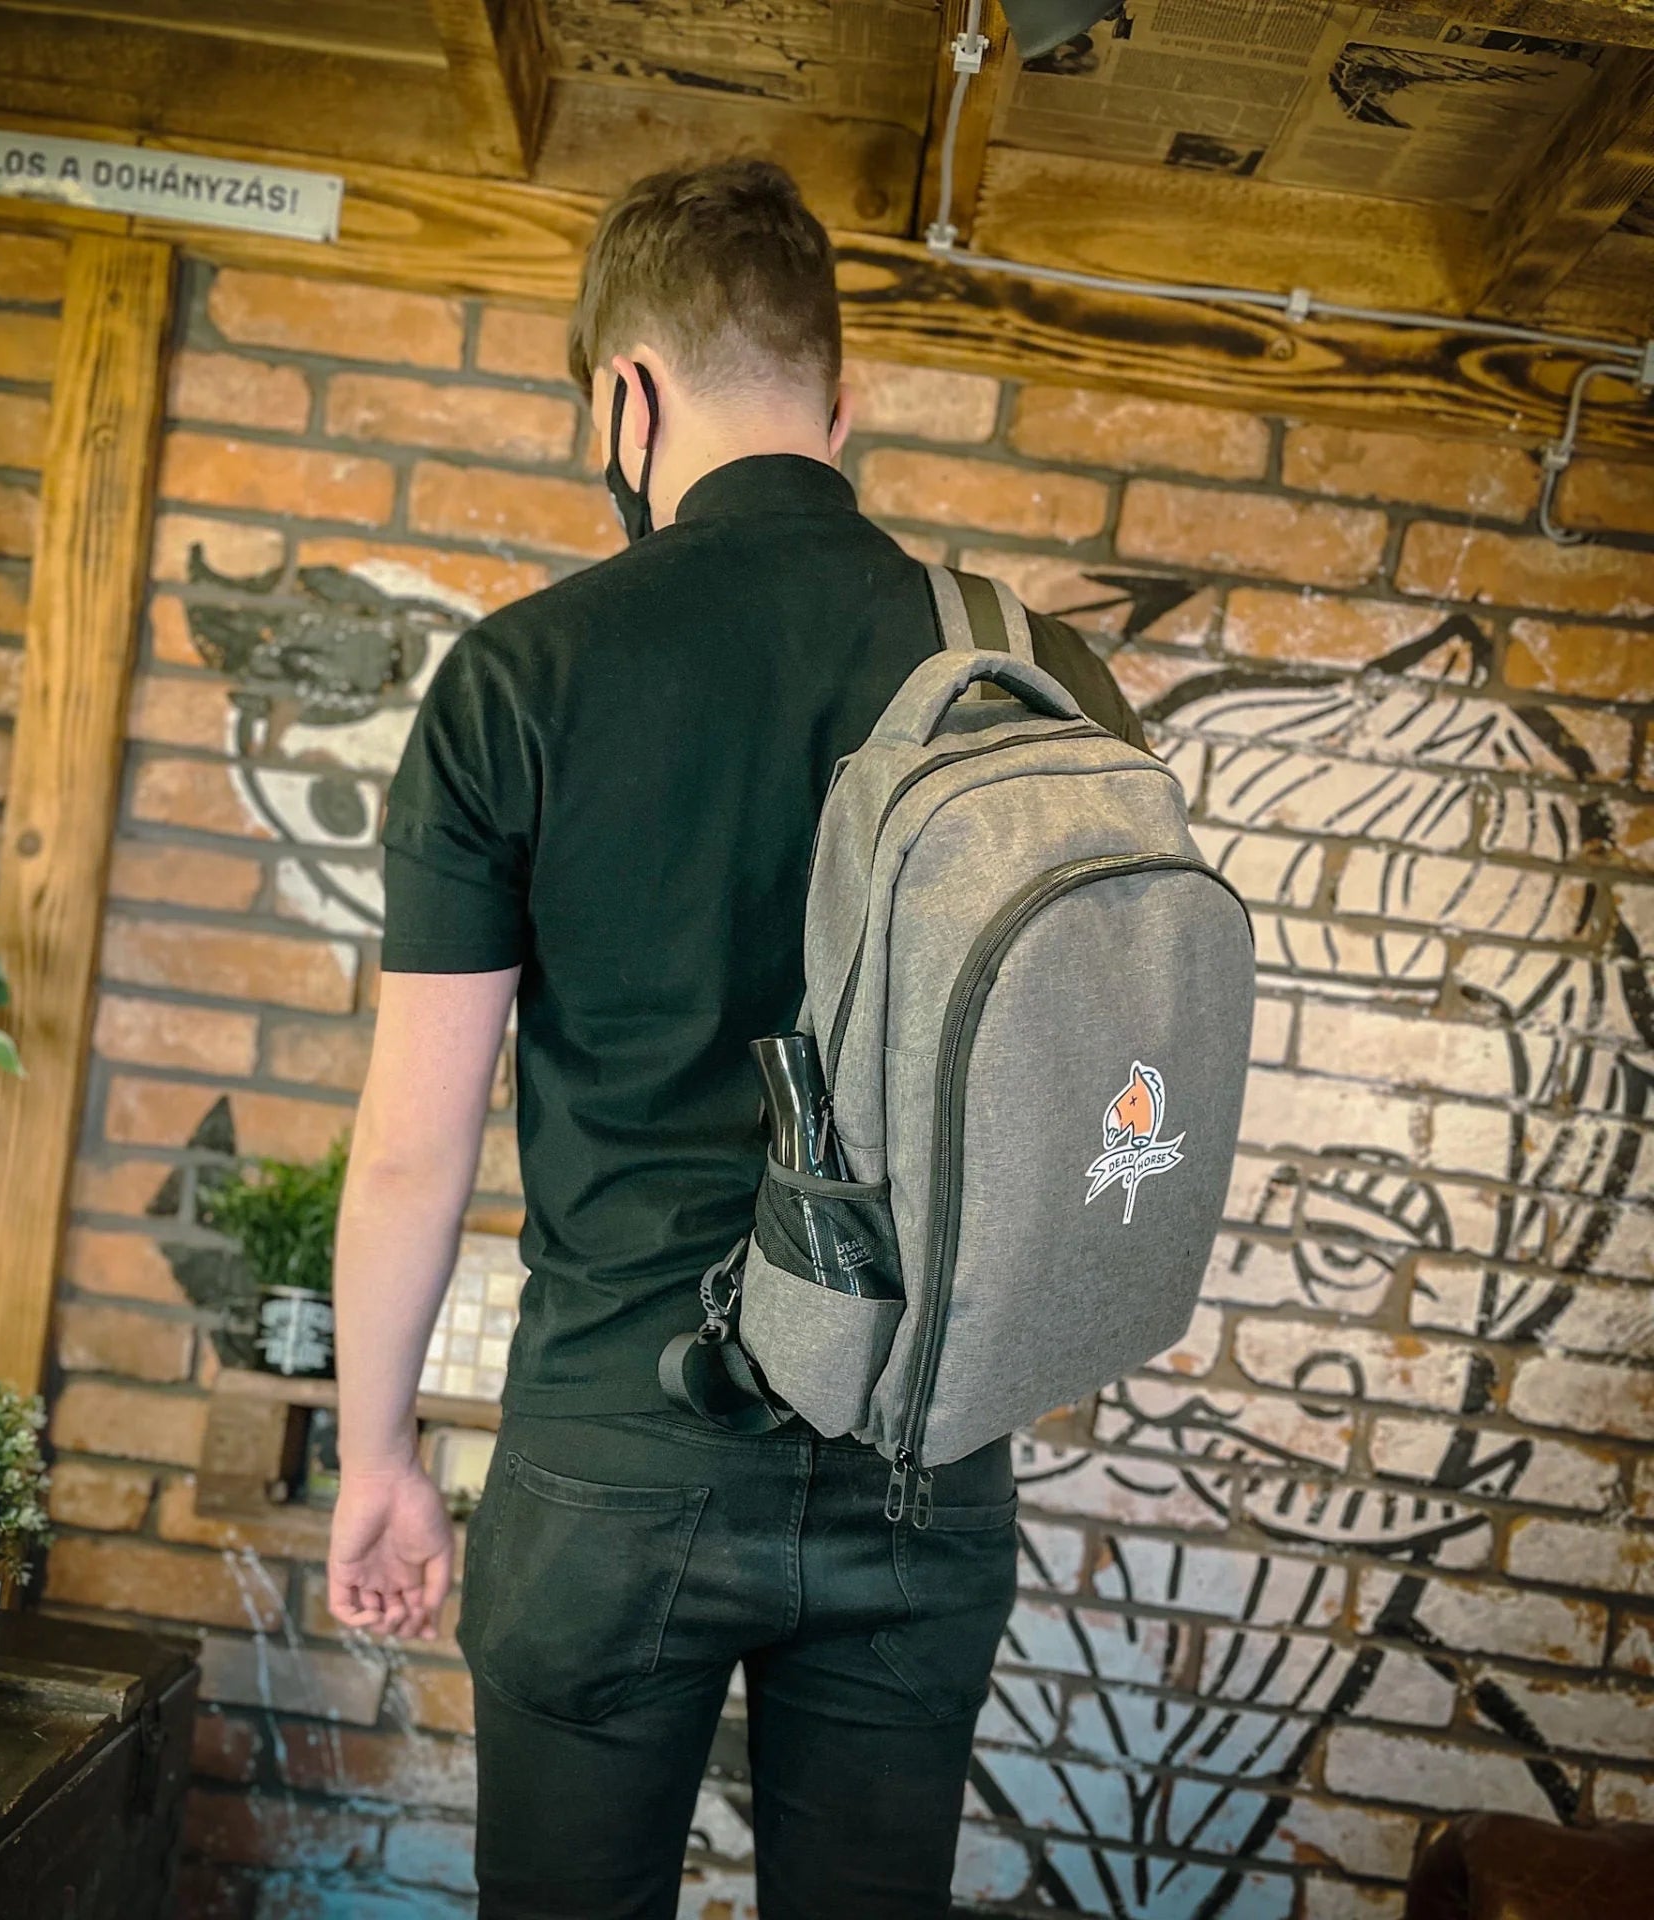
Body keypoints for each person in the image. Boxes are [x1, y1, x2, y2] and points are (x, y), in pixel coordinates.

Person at [326, 158, 1144, 1920]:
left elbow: (409, 1148)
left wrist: (378, 1457)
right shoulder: (1033, 675)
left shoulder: (518, 680)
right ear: (842, 407)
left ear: (624, 396)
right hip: (923, 1457)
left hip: (615, 1450)